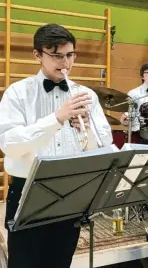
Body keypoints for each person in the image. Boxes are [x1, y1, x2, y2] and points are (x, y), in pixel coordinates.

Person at [0, 23, 113, 267]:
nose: (66, 63)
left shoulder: (86, 95)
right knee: (24, 263)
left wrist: (87, 128)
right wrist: (57, 118)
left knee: (60, 261)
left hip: (71, 192)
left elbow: (104, 148)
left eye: (70, 55)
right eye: (57, 56)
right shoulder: (18, 93)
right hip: (27, 191)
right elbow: (10, 144)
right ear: (37, 55)